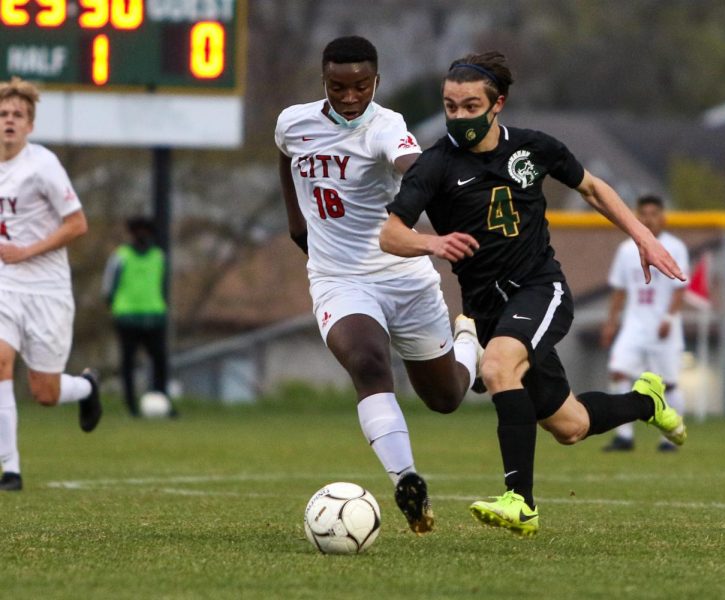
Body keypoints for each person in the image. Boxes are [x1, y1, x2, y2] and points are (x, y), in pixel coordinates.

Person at [381, 51, 686, 536]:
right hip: (487, 310)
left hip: (538, 289)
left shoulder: (533, 148)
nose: (458, 117)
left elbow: (593, 189)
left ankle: (520, 502)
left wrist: (642, 237)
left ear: (497, 104)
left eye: (470, 106)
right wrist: (431, 242)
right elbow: (390, 234)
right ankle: (646, 402)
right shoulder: (435, 165)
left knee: (498, 367)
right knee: (571, 426)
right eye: (450, 106)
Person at [274, 36, 480, 534]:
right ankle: (407, 480)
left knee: (446, 397)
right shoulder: (292, 122)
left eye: (360, 87)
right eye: (338, 86)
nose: (349, 97)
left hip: (403, 275)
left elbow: (414, 166)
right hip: (338, 279)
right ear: (324, 81)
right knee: (367, 362)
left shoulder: (387, 127)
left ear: (377, 83)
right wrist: (296, 222)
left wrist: (439, 216)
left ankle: (468, 338)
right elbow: (285, 153)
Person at [0, 77, 102, 492]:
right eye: (3, 114)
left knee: (44, 391)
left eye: (17, 115)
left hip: (47, 290)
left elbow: (77, 224)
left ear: (30, 124)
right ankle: (11, 469)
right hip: (5, 283)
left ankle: (87, 387)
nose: (9, 121)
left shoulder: (41, 165)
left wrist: (27, 251)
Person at [601, 195, 689, 452]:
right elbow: (619, 290)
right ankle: (624, 435)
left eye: (654, 213)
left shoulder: (675, 247)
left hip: (663, 327)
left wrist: (669, 318)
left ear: (663, 217)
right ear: (636, 216)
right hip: (634, 325)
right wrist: (611, 323)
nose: (648, 218)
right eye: (644, 213)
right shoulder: (626, 249)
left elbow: (680, 288)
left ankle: (668, 437)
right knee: (618, 371)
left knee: (669, 384)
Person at [102, 216, 170, 418]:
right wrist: (114, 307)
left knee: (159, 360)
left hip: (153, 316)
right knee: (128, 362)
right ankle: (131, 406)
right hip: (128, 317)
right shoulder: (121, 256)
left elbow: (163, 285)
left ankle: (162, 400)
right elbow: (108, 287)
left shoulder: (158, 256)